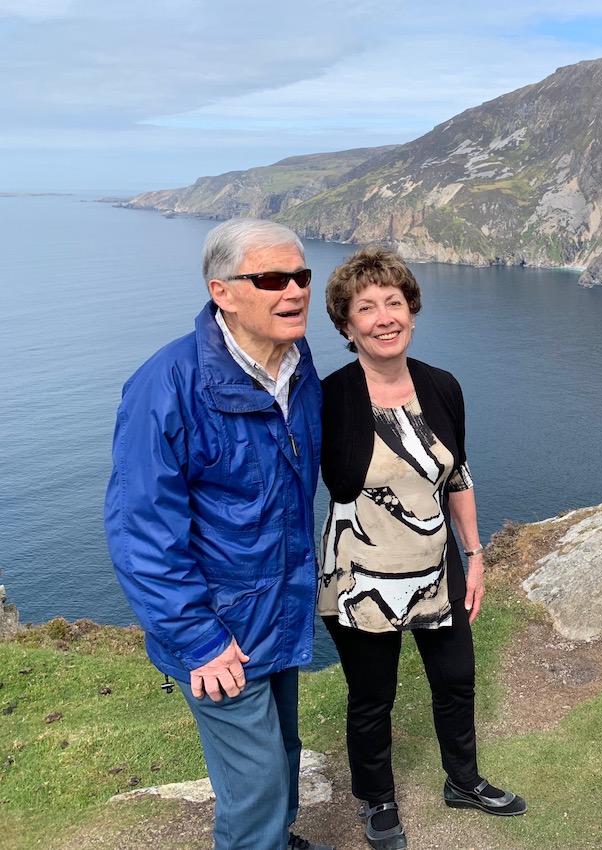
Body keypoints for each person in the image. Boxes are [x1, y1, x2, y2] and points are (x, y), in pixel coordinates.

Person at [105, 219, 332, 850]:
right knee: (255, 784)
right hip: (219, 629)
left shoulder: (295, 367)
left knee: (282, 754)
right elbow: (140, 530)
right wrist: (198, 640)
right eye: (271, 279)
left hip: (279, 607)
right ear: (222, 292)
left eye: (302, 276)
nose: (294, 292)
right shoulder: (168, 386)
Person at [319, 247, 525, 850]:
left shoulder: (441, 386)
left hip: (437, 566)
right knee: (373, 695)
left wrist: (475, 553)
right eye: (366, 307)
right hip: (361, 573)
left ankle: (463, 781)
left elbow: (456, 475)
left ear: (412, 310)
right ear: (346, 324)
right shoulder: (329, 398)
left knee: (457, 678)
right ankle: (377, 802)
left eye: (394, 302)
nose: (384, 317)